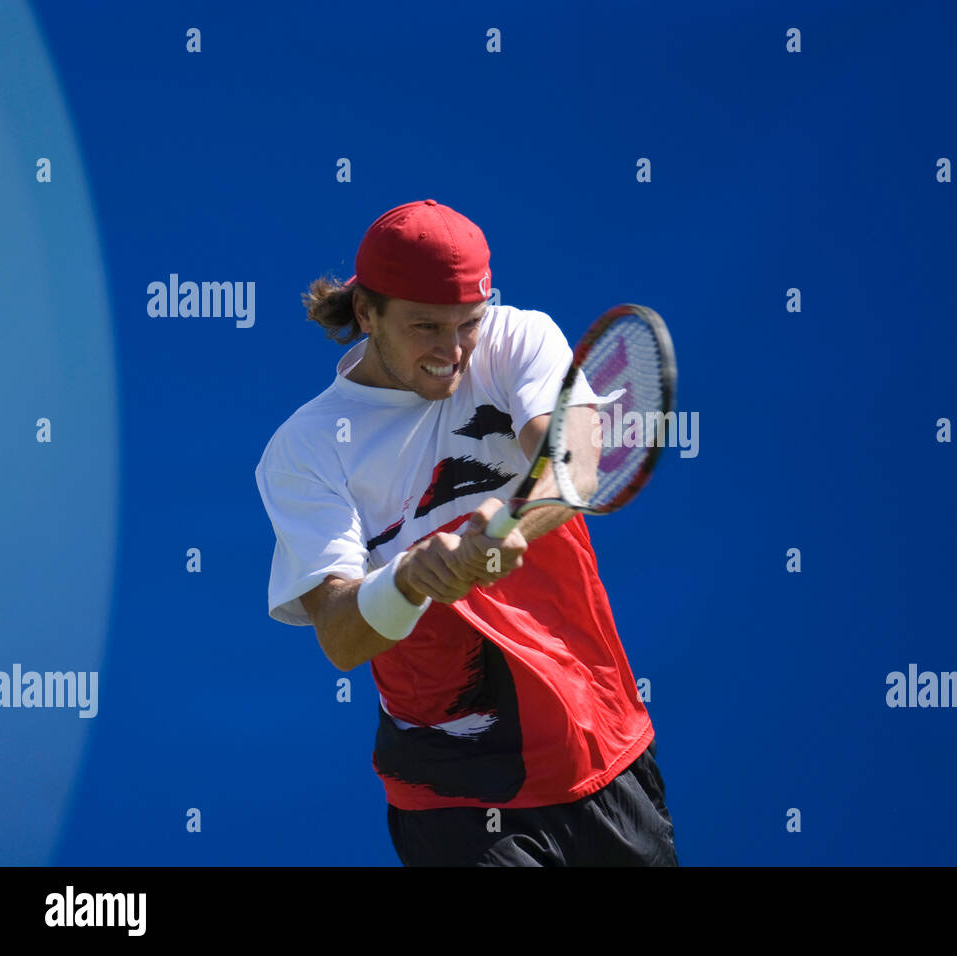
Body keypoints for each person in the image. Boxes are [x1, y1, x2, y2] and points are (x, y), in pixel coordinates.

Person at [254, 199, 678, 866]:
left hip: (598, 743)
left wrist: (513, 520)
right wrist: (409, 576)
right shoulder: (306, 448)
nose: (451, 353)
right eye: (425, 327)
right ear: (366, 313)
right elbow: (340, 635)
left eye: (467, 325)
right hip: (453, 792)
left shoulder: (518, 339)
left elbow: (579, 462)